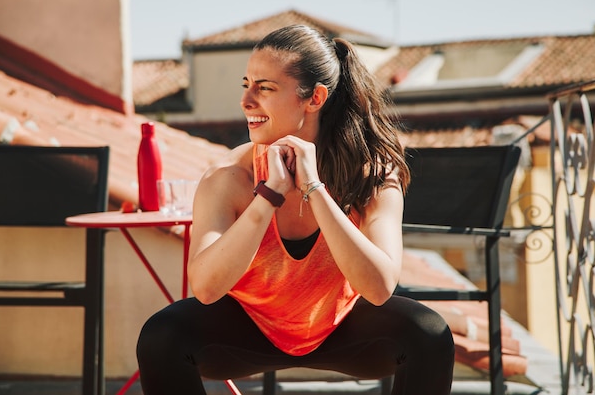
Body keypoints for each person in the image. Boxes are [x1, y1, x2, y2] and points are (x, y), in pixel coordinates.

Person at [136, 24, 454, 395]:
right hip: (248, 331)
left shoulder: (374, 174)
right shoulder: (228, 177)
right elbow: (206, 289)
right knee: (161, 336)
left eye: (265, 88)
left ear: (315, 98)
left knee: (430, 334)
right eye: (246, 85)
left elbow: (380, 288)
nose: (246, 101)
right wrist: (267, 198)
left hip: (343, 328)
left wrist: (315, 190)